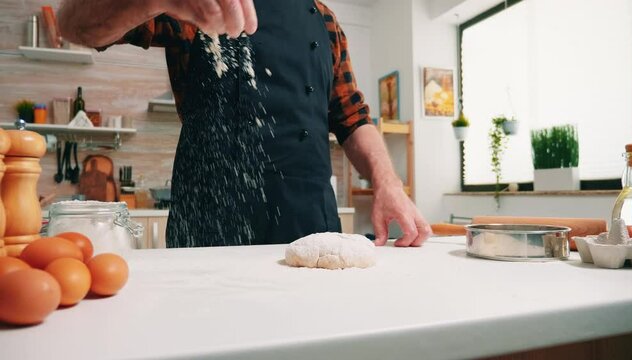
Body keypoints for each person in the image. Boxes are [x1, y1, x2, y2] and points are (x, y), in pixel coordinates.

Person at [58, 0, 432, 247]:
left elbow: (352, 117)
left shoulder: (325, 20)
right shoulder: (204, 4)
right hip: (212, 228)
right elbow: (76, 27)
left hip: (311, 227)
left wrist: (388, 183)